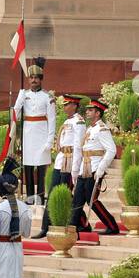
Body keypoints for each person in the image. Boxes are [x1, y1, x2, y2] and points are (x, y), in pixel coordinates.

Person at [38, 94, 85, 238]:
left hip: (70, 162)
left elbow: (78, 146)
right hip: (61, 160)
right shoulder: (67, 120)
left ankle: (81, 223)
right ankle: (45, 227)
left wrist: (76, 169)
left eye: (67, 104)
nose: (64, 107)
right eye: (64, 104)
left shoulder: (79, 122)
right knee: (52, 193)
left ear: (75, 105)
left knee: (65, 194)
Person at [71, 99, 119, 235]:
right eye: (87, 110)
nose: (87, 112)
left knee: (91, 200)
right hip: (84, 168)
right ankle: (75, 228)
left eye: (90, 110)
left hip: (94, 168)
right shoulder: (90, 128)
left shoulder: (102, 129)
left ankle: (112, 225)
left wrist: (101, 169)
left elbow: (111, 150)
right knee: (77, 199)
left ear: (98, 113)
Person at [13, 57, 56, 205]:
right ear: (28, 79)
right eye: (31, 78)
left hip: (42, 134)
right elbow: (16, 115)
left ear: (41, 79)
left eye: (36, 78)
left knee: (41, 168)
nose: (33, 80)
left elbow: (52, 120)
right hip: (28, 134)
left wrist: (50, 140)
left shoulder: (47, 97)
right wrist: (19, 99)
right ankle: (30, 197)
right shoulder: (25, 95)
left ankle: (41, 196)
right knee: (29, 167)